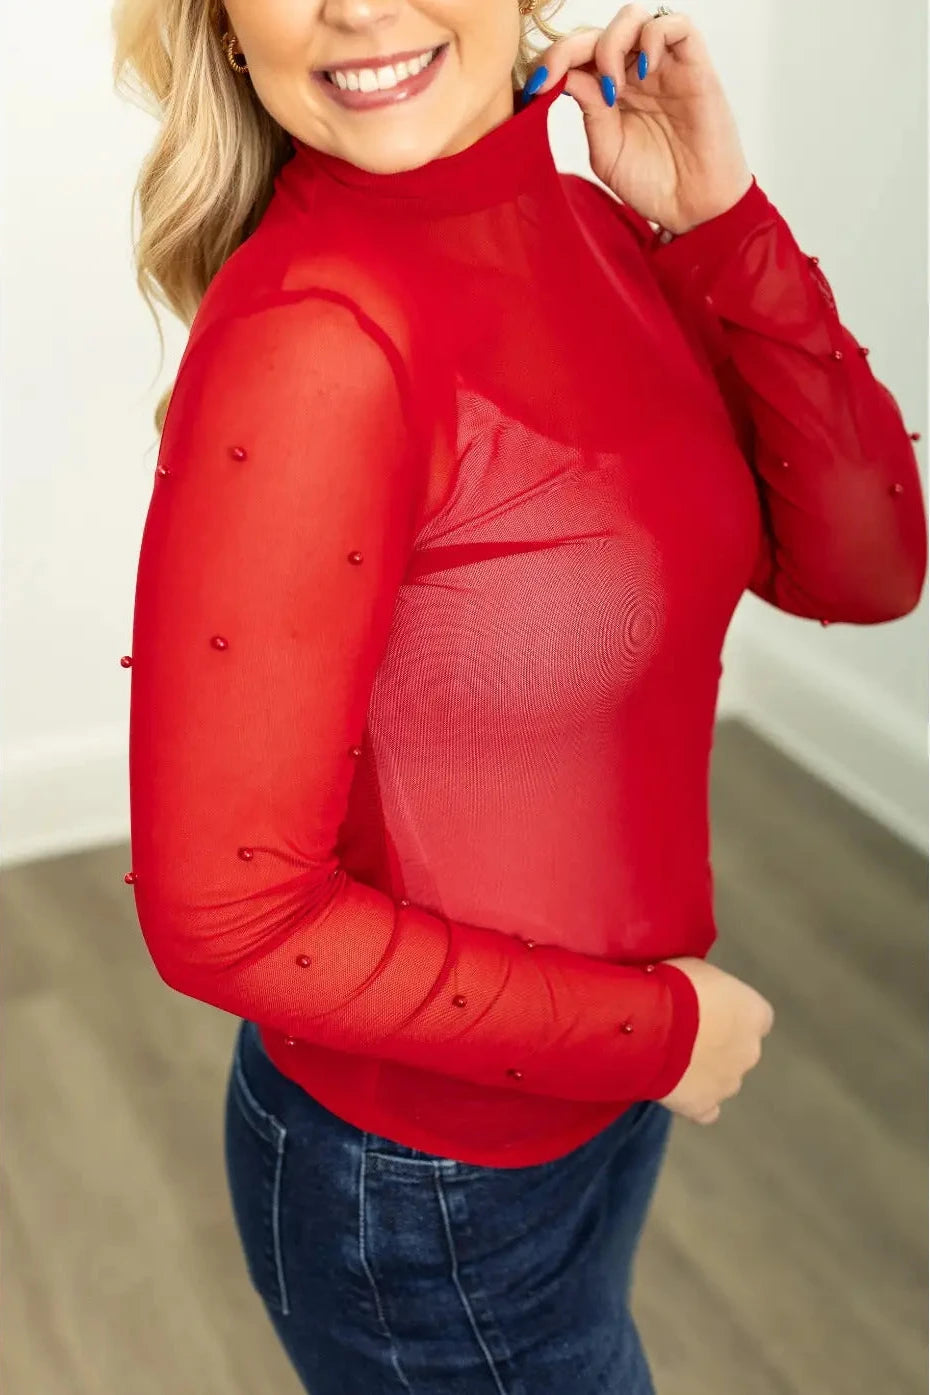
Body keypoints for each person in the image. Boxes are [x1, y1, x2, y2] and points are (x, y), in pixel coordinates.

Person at [113, 0, 927, 1389]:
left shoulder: (598, 230)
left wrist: (718, 219)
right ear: (225, 27)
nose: (357, 6)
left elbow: (863, 568)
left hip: (589, 1098)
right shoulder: (314, 339)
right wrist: (657, 1030)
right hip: (428, 1177)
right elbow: (225, 916)